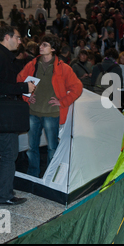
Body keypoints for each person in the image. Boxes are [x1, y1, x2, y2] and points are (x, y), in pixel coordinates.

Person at [0, 26, 36, 206]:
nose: (20, 41)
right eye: (18, 37)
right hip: (2, 113)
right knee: (8, 153)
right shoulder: (0, 56)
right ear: (7, 37)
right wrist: (23, 87)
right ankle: (4, 195)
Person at [17, 34, 82, 178]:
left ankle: (51, 176)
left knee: (52, 147)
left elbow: (77, 87)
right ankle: (33, 173)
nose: (40, 46)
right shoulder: (33, 64)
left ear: (53, 49)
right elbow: (20, 80)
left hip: (52, 114)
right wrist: (26, 97)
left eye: (44, 45)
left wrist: (63, 101)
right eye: (41, 44)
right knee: (32, 147)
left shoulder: (63, 68)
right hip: (33, 112)